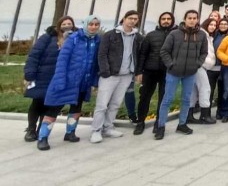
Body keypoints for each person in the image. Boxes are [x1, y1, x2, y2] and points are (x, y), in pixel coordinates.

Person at [38, 15, 101, 151]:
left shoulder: (97, 40)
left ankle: (70, 133)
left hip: (83, 82)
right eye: (91, 24)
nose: (93, 27)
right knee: (54, 108)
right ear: (85, 24)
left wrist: (94, 81)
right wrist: (60, 79)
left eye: (96, 25)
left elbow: (96, 63)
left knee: (76, 108)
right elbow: (62, 60)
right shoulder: (73, 38)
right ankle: (43, 137)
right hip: (67, 80)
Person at [90, 10, 142, 144]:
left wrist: (136, 72)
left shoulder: (137, 37)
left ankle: (108, 127)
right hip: (110, 75)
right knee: (102, 104)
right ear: (123, 19)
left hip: (126, 75)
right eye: (130, 18)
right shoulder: (110, 35)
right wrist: (105, 71)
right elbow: (102, 54)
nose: (132, 21)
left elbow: (139, 54)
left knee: (115, 103)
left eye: (135, 19)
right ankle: (96, 130)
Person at [156, 10, 207, 140]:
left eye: (194, 18)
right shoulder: (174, 34)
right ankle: (161, 126)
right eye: (189, 18)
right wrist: (171, 64)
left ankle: (182, 124)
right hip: (174, 72)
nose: (192, 20)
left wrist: (197, 64)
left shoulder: (201, 35)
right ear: (185, 19)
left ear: (197, 20)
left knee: (186, 99)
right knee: (167, 99)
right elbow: (164, 51)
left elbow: (204, 52)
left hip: (190, 73)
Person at [24, 16, 74, 142]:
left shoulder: (74, 38)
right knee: (37, 102)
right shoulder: (48, 37)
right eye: (64, 23)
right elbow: (34, 55)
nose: (67, 26)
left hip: (59, 77)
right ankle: (31, 129)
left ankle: (42, 129)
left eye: (69, 23)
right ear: (59, 25)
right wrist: (29, 73)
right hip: (43, 75)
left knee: (50, 104)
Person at [135, 12, 174, 135]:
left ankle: (159, 123)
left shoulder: (175, 35)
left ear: (172, 21)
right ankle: (140, 122)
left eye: (168, 19)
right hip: (149, 71)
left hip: (167, 72)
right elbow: (142, 54)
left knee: (163, 99)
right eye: (163, 19)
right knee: (144, 97)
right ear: (160, 21)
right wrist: (139, 72)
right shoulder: (151, 35)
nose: (166, 21)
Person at [189, 18, 217, 125]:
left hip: (201, 66)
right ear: (206, 24)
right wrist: (200, 63)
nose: (213, 27)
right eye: (211, 24)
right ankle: (204, 115)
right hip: (199, 66)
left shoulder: (208, 36)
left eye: (215, 25)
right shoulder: (202, 35)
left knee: (194, 91)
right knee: (205, 89)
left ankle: (189, 115)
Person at [212, 18, 228, 117]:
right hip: (213, 66)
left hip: (225, 67)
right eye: (221, 24)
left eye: (225, 24)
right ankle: (206, 113)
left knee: (223, 90)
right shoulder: (215, 35)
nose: (223, 26)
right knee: (210, 90)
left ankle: (221, 111)